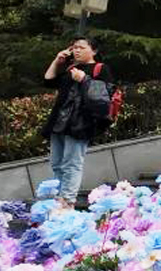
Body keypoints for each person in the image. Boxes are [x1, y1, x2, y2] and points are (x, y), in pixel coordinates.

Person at [41, 38, 117, 208]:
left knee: (72, 163)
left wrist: (84, 79)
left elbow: (105, 95)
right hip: (59, 122)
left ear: (93, 51)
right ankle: (58, 198)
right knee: (57, 163)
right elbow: (48, 80)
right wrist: (57, 61)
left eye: (81, 47)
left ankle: (68, 200)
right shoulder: (71, 68)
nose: (76, 51)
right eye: (74, 48)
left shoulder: (100, 68)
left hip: (80, 123)